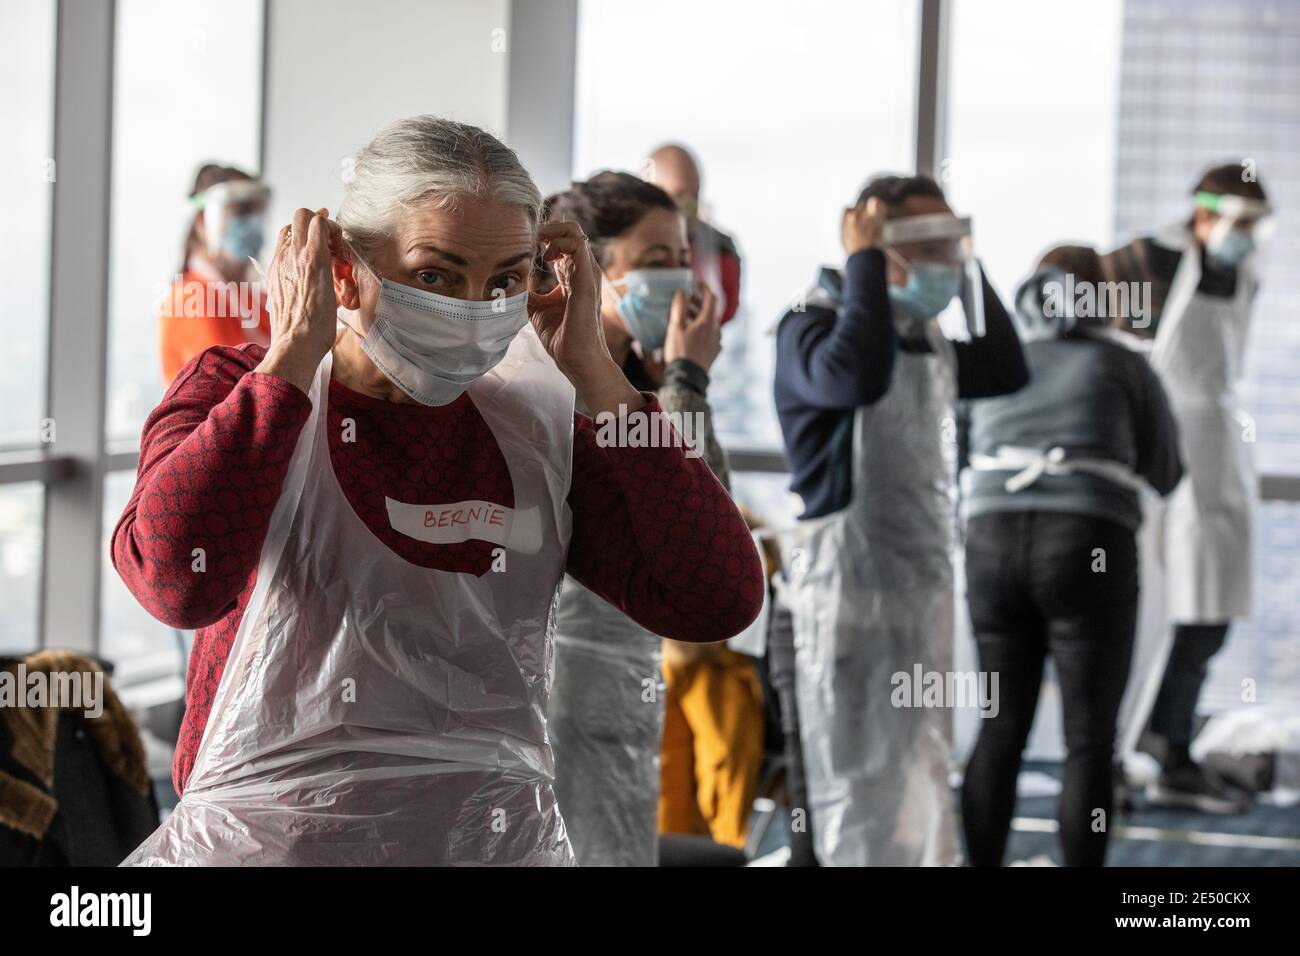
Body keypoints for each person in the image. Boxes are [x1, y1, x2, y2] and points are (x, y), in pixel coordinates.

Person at [112, 117, 764, 866]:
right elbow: (174, 580)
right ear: (345, 267)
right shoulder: (238, 389)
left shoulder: (535, 429)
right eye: (435, 275)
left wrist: (600, 379)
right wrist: (290, 357)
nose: (474, 308)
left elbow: (715, 597)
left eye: (505, 281)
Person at [772, 174, 1028, 865]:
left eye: (954, 240)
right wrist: (863, 262)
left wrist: (964, 263)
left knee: (913, 788)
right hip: (836, 610)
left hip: (915, 605)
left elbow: (1008, 366)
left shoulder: (929, 340)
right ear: (876, 245)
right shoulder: (810, 324)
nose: (944, 255)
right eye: (928, 242)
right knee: (836, 797)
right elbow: (856, 376)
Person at [536, 171, 754, 864]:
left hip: (627, 678)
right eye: (656, 262)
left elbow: (705, 518)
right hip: (555, 683)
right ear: (589, 267)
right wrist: (686, 380)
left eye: (683, 259)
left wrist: (684, 379)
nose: (679, 278)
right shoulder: (549, 384)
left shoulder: (643, 386)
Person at [959, 244, 1184, 866]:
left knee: (1000, 728)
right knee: (1090, 740)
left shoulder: (995, 364)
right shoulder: (1123, 365)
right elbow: (1166, 471)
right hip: (1088, 544)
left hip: (991, 542)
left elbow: (958, 458)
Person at [1103, 163, 1271, 814]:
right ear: (1204, 214)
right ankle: (1110, 757)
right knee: (1144, 617)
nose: (1248, 238)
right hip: (1159, 450)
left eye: (1258, 227)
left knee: (1210, 616)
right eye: (1240, 223)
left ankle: (1170, 747)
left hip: (1220, 449)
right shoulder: (1152, 260)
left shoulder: (1244, 273)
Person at [159, 164, 272, 384]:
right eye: (241, 213)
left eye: (257, 212)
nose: (253, 224)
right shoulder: (192, 299)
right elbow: (232, 388)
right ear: (204, 219)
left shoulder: (250, 296)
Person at [647, 144, 742, 325]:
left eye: (694, 193)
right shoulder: (626, 252)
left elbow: (727, 314)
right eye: (678, 195)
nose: (689, 205)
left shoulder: (722, 251)